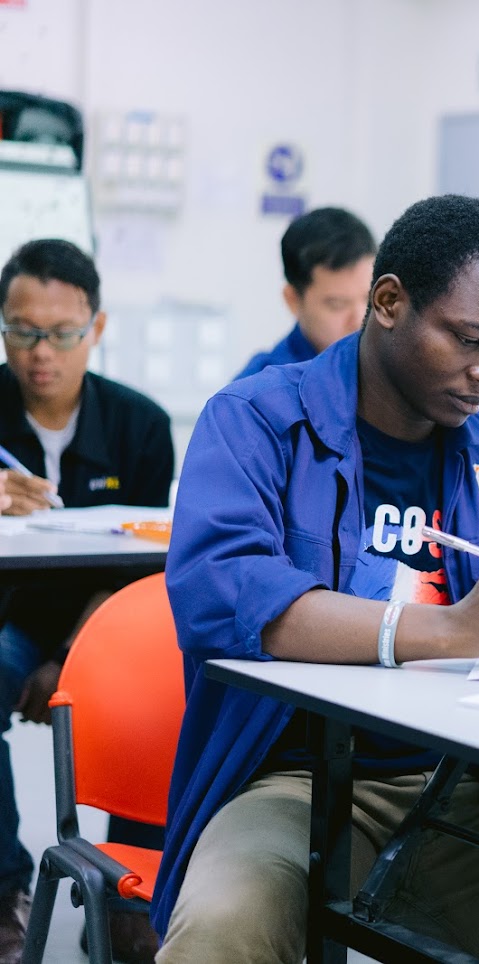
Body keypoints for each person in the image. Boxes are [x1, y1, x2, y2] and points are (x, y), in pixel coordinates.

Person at [157, 194, 479, 963]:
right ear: (387, 303)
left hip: (460, 786)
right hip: (291, 778)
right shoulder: (255, 420)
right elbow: (224, 594)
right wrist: (448, 629)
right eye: (469, 340)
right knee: (223, 933)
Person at [0, 238, 174, 964]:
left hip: (107, 622)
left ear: (96, 328)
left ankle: (130, 890)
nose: (41, 352)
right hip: (9, 621)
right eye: (21, 331)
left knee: (163, 689)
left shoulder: (140, 425)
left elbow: (144, 571)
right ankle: (5, 886)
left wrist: (71, 656)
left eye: (63, 334)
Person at [234, 206, 376, 379]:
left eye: (370, 299)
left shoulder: (392, 367)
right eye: (337, 305)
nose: (360, 321)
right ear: (293, 300)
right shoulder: (260, 390)